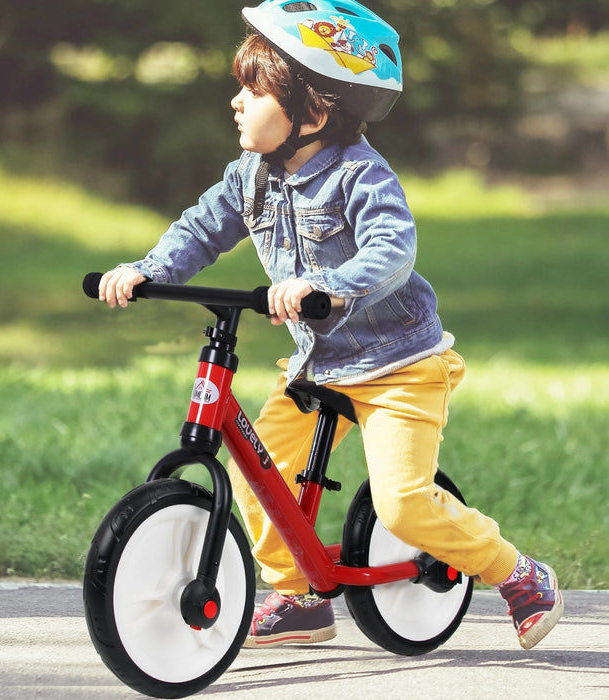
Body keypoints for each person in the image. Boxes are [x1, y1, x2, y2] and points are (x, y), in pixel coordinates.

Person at [97, 0, 563, 651]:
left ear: (314, 111)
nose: (235, 102)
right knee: (258, 478)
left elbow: (391, 251)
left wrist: (328, 286)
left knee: (403, 505)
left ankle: (516, 572)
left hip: (399, 367)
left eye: (252, 89)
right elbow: (202, 228)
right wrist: (148, 270)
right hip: (318, 367)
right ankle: (301, 596)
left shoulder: (359, 177)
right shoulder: (250, 178)